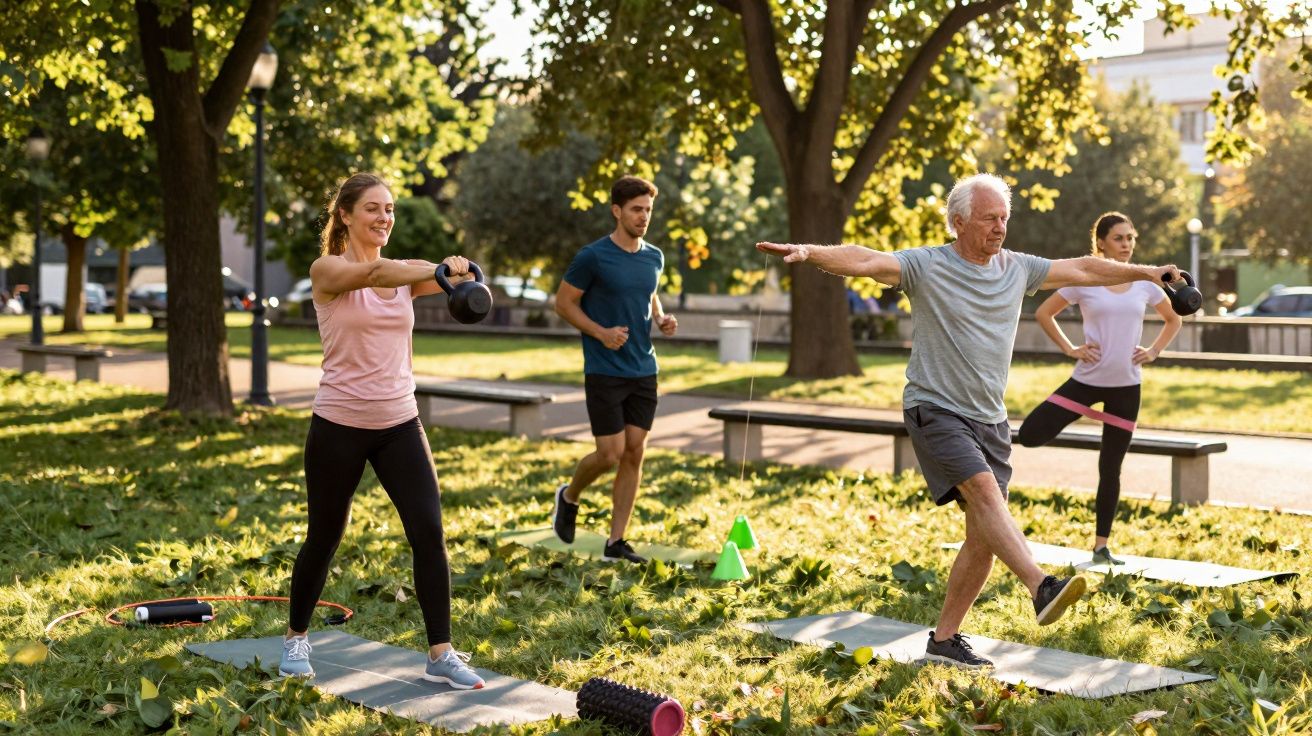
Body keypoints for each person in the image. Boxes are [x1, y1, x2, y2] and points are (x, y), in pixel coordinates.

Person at [756, 173, 1183, 670]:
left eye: (1004, 218)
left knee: (983, 533)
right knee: (983, 493)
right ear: (959, 222)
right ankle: (1040, 585)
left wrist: (1152, 272)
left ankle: (943, 640)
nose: (1000, 228)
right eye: (989, 218)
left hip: (990, 418)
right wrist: (810, 252)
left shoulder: (1018, 268)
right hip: (935, 407)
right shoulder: (927, 265)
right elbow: (867, 260)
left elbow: (1085, 268)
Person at [279, 172, 484, 689]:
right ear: (345, 215)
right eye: (374, 208)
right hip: (339, 424)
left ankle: (440, 653)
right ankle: (295, 638)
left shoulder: (404, 275)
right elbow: (376, 276)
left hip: (399, 423)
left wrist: (452, 274)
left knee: (429, 532)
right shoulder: (327, 270)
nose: (384, 218)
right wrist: (437, 269)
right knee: (325, 536)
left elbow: (416, 274)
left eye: (390, 209)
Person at [1017, 212, 1182, 565]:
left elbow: (1174, 317)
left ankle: (1101, 547)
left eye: (1131, 237)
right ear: (1102, 243)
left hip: (1127, 387)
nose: (1127, 244)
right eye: (1120, 238)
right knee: (1029, 434)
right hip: (1086, 380)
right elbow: (1045, 313)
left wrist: (1154, 350)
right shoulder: (1085, 280)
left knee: (1111, 469)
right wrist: (1070, 348)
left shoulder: (1145, 282)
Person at [550, 175, 677, 563]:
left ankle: (615, 542)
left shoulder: (654, 256)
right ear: (617, 210)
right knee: (609, 454)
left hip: (643, 367)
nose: (643, 217)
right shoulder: (592, 257)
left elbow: (649, 293)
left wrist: (660, 318)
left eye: (648, 210)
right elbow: (564, 303)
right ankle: (569, 495)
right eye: (636, 210)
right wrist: (600, 333)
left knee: (634, 453)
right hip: (605, 367)